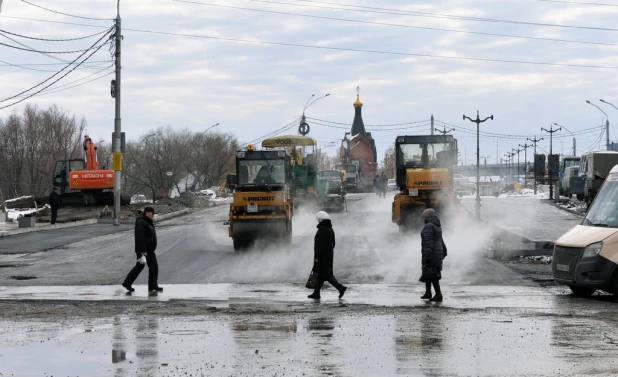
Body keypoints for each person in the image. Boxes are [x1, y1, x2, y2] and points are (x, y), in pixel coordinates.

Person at [122, 207, 163, 293]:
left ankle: (152, 285)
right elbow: (139, 238)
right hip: (144, 250)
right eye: (152, 214)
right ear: (148, 213)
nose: (153, 216)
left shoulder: (147, 221)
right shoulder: (141, 222)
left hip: (150, 250)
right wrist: (141, 251)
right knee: (139, 267)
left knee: (154, 268)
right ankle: (127, 283)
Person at [308, 211, 348, 300]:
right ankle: (316, 293)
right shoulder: (330, 229)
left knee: (327, 275)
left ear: (319, 220)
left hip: (322, 257)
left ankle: (340, 288)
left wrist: (317, 257)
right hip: (329, 255)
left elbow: (319, 246)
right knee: (320, 274)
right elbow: (333, 244)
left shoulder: (322, 230)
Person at [419, 208, 447, 302]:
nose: (423, 218)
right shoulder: (437, 225)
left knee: (432, 274)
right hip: (437, 253)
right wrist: (444, 251)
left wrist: (427, 254)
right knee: (429, 273)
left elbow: (428, 241)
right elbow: (440, 240)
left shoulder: (429, 226)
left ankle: (438, 295)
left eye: (424, 217)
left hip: (432, 253)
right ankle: (428, 292)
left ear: (427, 216)